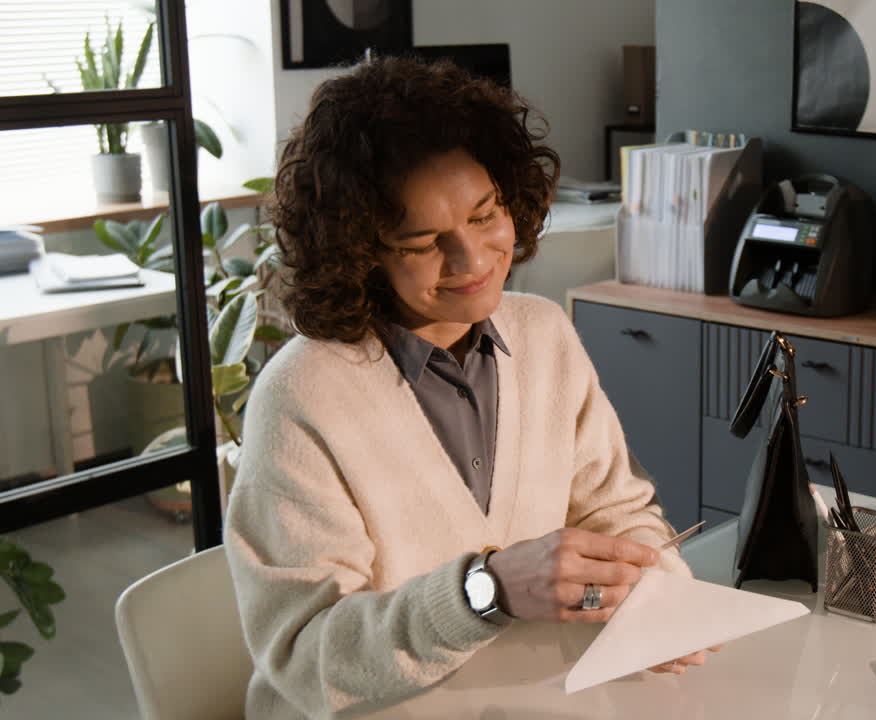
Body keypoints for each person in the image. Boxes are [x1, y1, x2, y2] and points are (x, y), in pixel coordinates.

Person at [223, 56, 714, 719]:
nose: (472, 261)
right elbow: (309, 657)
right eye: (423, 241)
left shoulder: (543, 334)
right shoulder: (303, 396)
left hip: (534, 697)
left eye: (486, 216)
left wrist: (662, 601)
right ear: (360, 252)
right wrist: (486, 591)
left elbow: (613, 510)